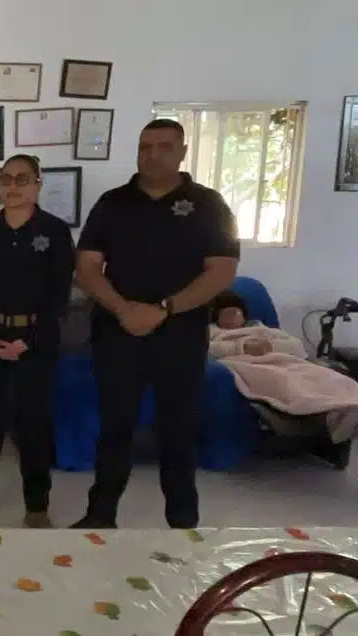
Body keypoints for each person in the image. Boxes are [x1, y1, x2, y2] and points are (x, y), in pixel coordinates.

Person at [72, 119, 240, 529]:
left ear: (182, 152)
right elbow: (87, 267)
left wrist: (164, 309)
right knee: (115, 429)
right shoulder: (112, 203)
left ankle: (182, 524)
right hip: (118, 331)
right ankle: (99, 517)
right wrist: (122, 308)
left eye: (164, 146)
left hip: (180, 334)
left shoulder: (210, 204)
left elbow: (222, 270)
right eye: (145, 146)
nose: (152, 154)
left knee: (178, 432)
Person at [0, 155, 75, 529]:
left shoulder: (55, 231)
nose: (12, 186)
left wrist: (30, 340)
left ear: (38, 183)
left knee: (33, 425)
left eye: (21, 179)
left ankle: (37, 507)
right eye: (6, 179)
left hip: (35, 342)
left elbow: (59, 297)